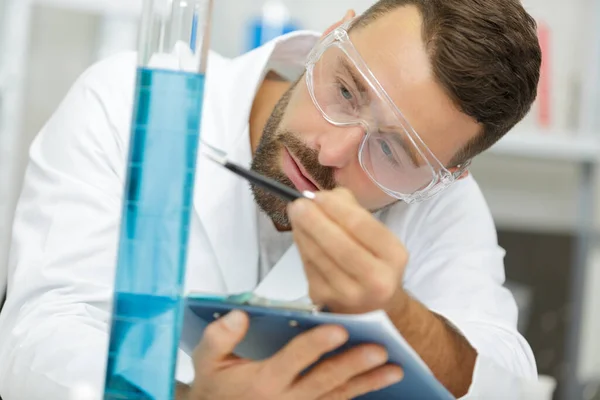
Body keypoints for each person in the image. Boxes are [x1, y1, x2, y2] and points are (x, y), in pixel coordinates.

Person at [0, 0, 542, 399]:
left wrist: (394, 313)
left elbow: (509, 379)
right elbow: (38, 339)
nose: (331, 150)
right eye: (347, 91)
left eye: (393, 151)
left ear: (446, 176)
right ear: (330, 35)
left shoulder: (435, 204)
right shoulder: (132, 102)